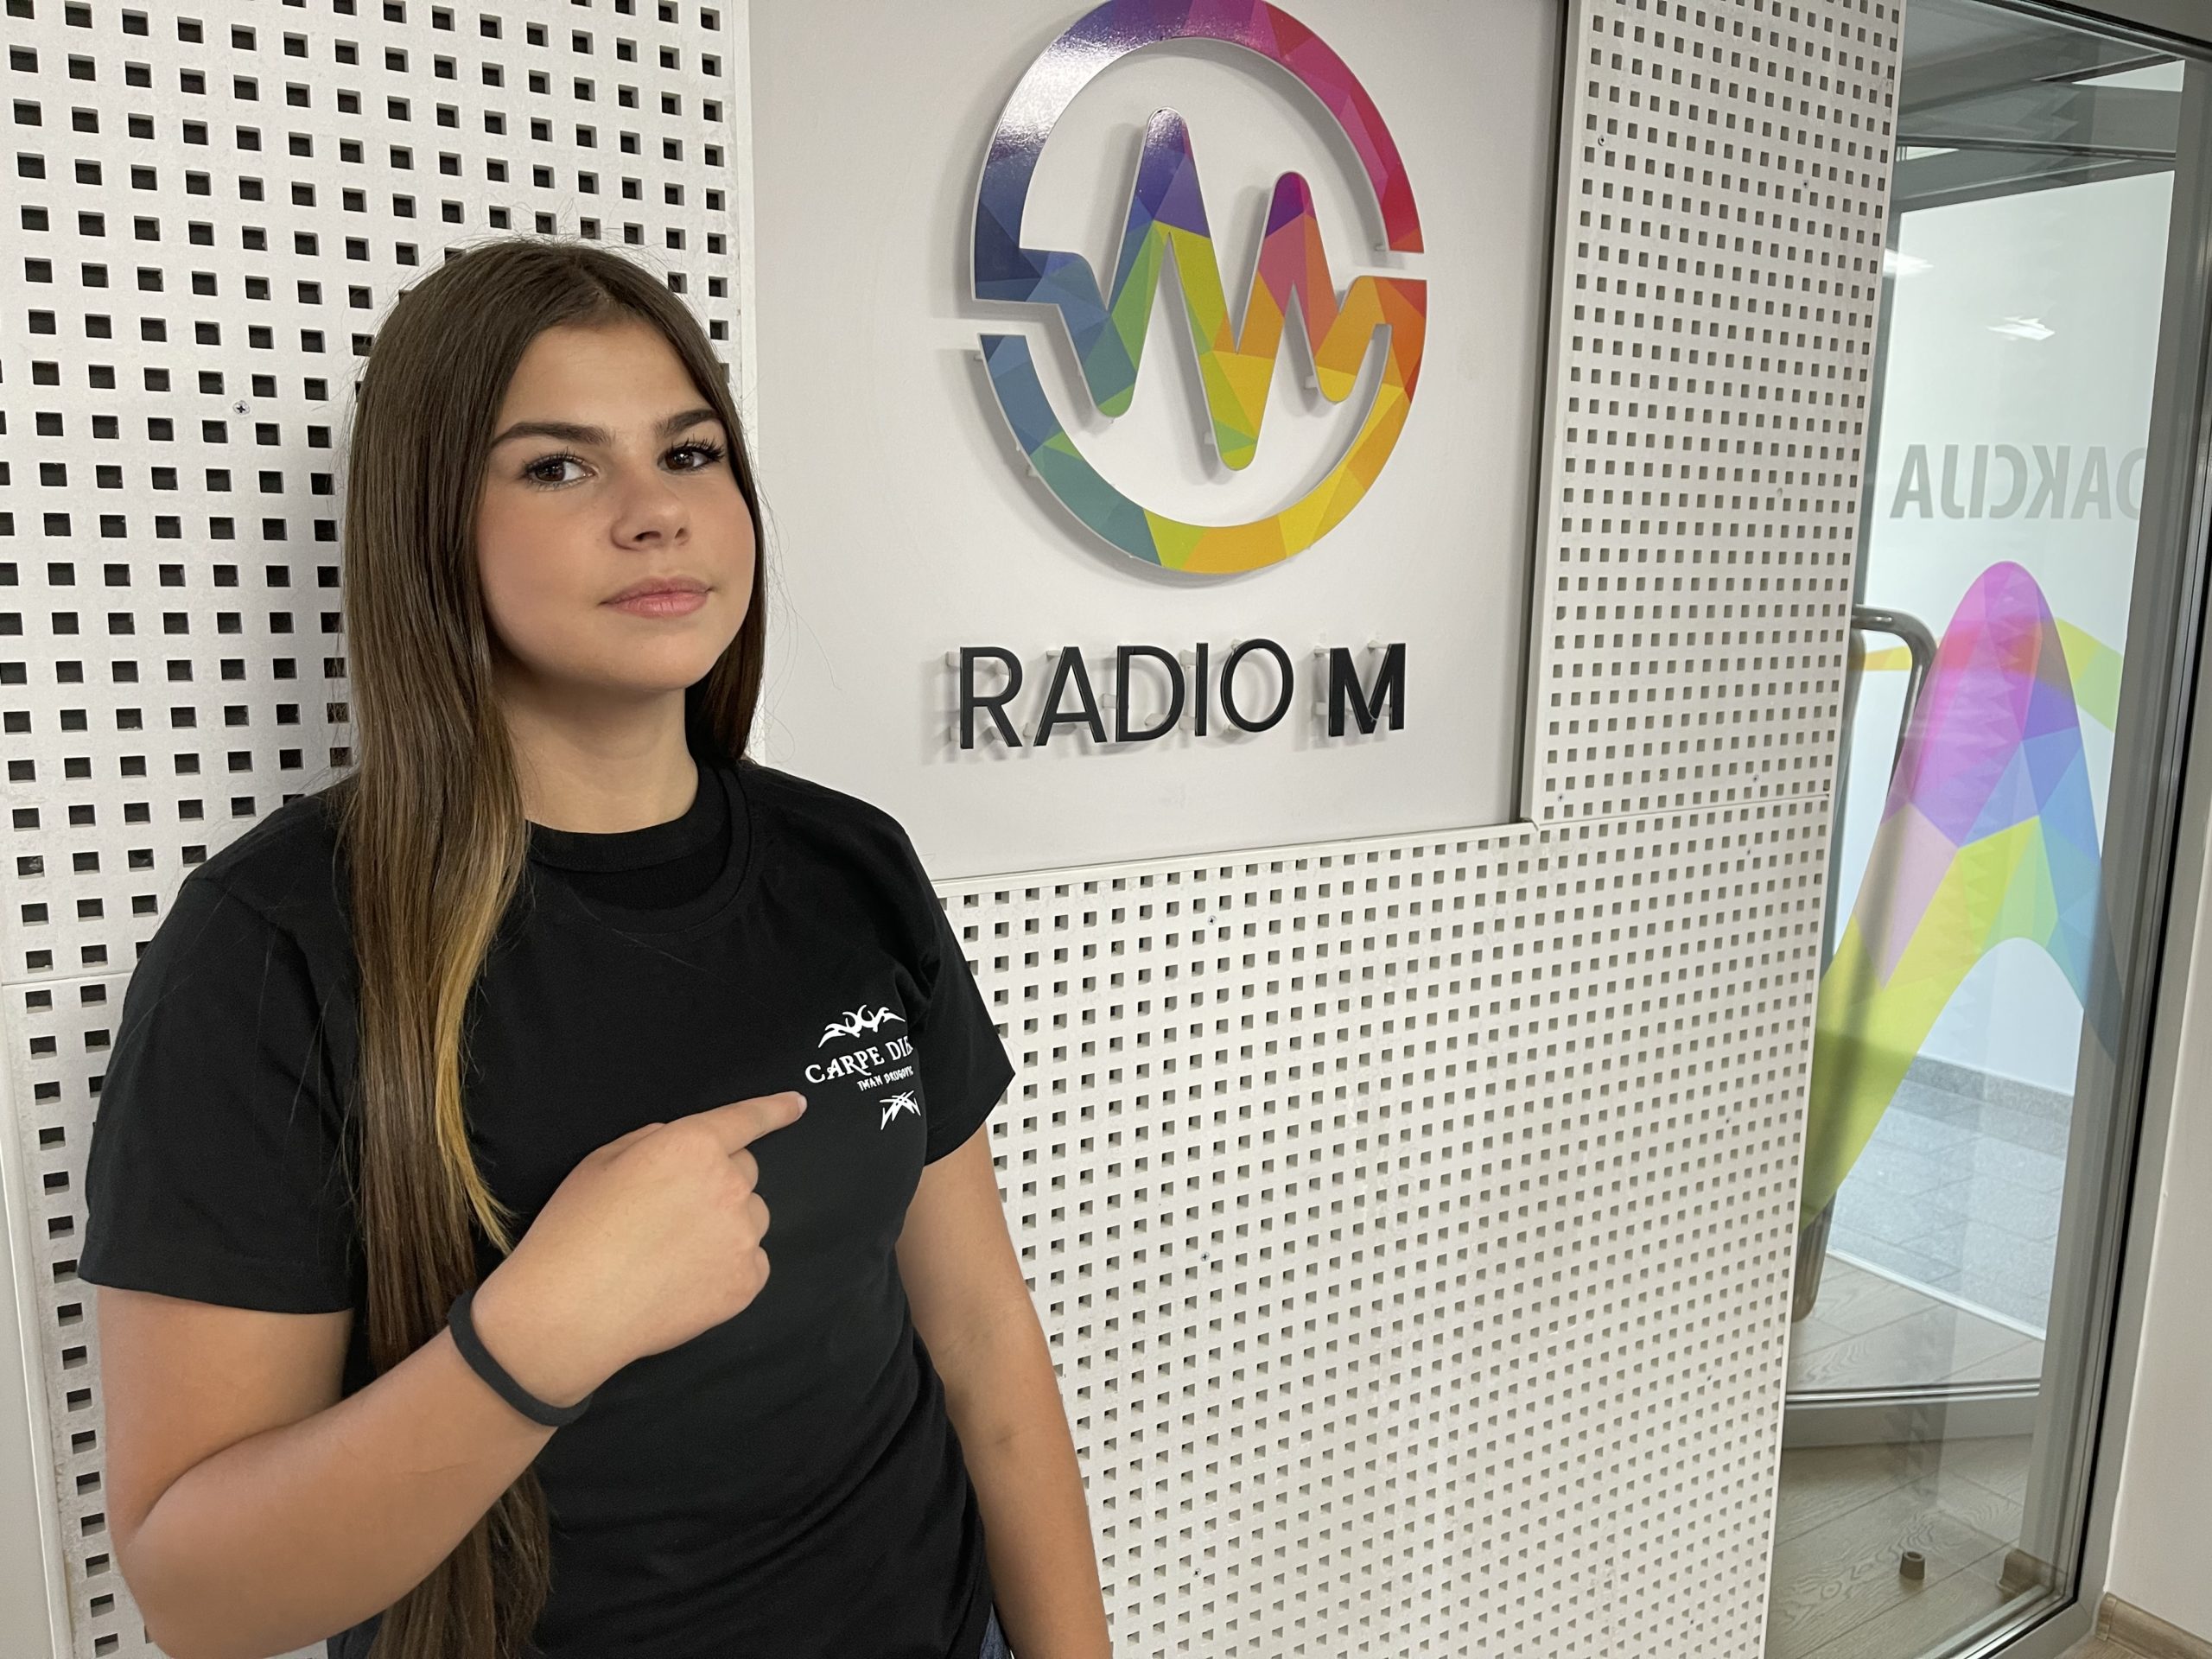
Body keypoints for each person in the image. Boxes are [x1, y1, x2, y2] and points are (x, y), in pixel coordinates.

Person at [76, 237, 1109, 1659]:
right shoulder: (273, 944)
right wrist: (537, 1338)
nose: (656, 515)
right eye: (558, 466)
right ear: (431, 524)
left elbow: (981, 1337)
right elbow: (200, 1597)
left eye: (689, 454)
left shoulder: (850, 865)